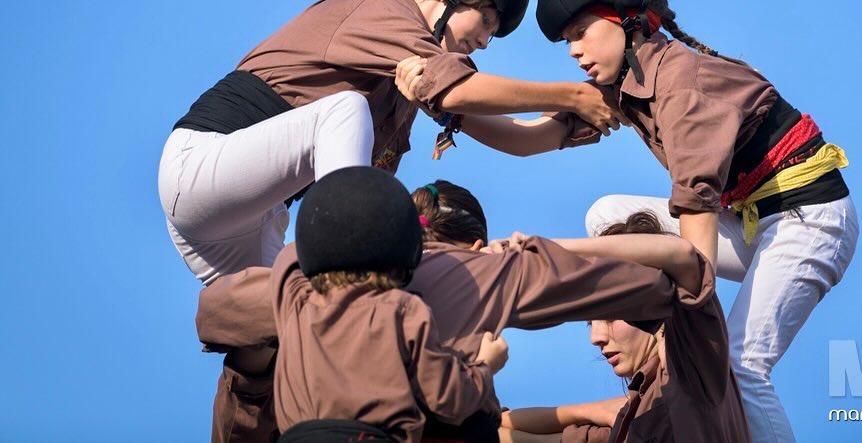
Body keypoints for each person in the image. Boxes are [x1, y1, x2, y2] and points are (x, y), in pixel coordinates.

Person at [396, 0, 858, 441]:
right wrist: (441, 104)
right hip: (749, 220)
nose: (572, 51)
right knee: (605, 213)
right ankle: (652, 330)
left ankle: (672, 339)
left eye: (580, 32)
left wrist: (692, 334)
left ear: (626, 17)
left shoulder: (682, 88)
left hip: (807, 220)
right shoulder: (624, 87)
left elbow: (697, 239)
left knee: (741, 369)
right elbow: (530, 140)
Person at [158, 0, 623, 286]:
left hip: (253, 217)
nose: (484, 40)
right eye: (483, 20)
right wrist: (572, 93)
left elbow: (514, 137)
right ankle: (352, 252)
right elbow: (460, 91)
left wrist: (575, 124)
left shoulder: (408, 76)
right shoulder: (381, 12)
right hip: (202, 164)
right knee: (346, 110)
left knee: (297, 337)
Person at [197, 179, 683, 443]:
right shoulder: (411, 308)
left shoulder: (293, 290)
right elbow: (453, 399)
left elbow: (217, 311)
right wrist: (484, 367)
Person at [270, 166, 506, 443]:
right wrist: (485, 366)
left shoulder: (297, 298)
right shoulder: (404, 309)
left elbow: (292, 254)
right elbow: (450, 399)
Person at [499, 211, 751, 442]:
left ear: (648, 302)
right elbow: (499, 431)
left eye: (611, 317)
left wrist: (552, 252)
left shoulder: (690, 365)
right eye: (590, 322)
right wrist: (589, 410)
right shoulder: (636, 415)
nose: (595, 337)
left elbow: (683, 258)